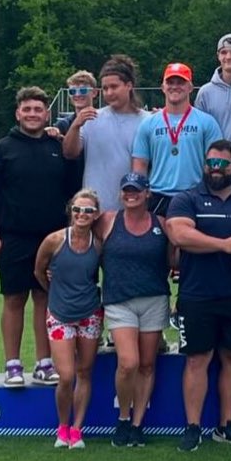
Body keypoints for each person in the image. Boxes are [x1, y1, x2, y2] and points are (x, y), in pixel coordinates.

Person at [0, 86, 78, 388]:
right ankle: (12, 364)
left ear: (47, 113)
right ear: (17, 113)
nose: (32, 114)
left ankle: (44, 363)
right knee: (14, 299)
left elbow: (72, 194)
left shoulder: (58, 147)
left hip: (53, 238)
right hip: (14, 238)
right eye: (27, 109)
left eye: (38, 110)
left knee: (45, 299)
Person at [165, 140, 231, 452]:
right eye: (211, 163)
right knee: (197, 360)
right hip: (197, 294)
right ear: (204, 165)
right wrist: (223, 245)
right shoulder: (186, 198)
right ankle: (193, 427)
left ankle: (226, 425)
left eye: (223, 164)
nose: (216, 169)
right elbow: (179, 235)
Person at [97, 172, 176, 446]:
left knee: (146, 364)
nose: (131, 195)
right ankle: (122, 417)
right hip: (119, 300)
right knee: (128, 362)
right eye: (127, 190)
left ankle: (138, 423)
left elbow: (173, 259)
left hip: (154, 298)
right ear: (121, 193)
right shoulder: (107, 220)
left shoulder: (161, 224)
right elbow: (82, 241)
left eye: (137, 191)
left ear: (147, 194)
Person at [34, 189, 103, 450]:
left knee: (85, 372)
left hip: (90, 314)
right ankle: (62, 426)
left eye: (87, 211)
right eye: (77, 209)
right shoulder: (54, 240)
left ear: (95, 215)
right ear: (70, 211)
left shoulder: (98, 244)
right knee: (66, 375)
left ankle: (77, 429)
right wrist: (52, 290)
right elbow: (39, 270)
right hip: (60, 313)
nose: (81, 215)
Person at [132, 63, 222, 217]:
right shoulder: (148, 123)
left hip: (194, 195)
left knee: (192, 241)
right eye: (170, 82)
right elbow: (140, 165)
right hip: (158, 195)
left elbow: (215, 162)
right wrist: (140, 197)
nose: (175, 87)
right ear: (163, 87)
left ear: (190, 87)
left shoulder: (206, 122)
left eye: (180, 82)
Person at [62, 54, 147, 212]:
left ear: (129, 86)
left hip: (131, 209)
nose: (108, 93)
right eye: (105, 88)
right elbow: (70, 153)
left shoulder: (147, 120)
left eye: (114, 87)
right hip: (95, 210)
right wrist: (75, 126)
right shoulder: (91, 118)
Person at [195, 34, 231, 168]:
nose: (228, 57)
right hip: (216, 168)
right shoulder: (205, 93)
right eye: (224, 52)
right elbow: (199, 133)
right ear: (218, 56)